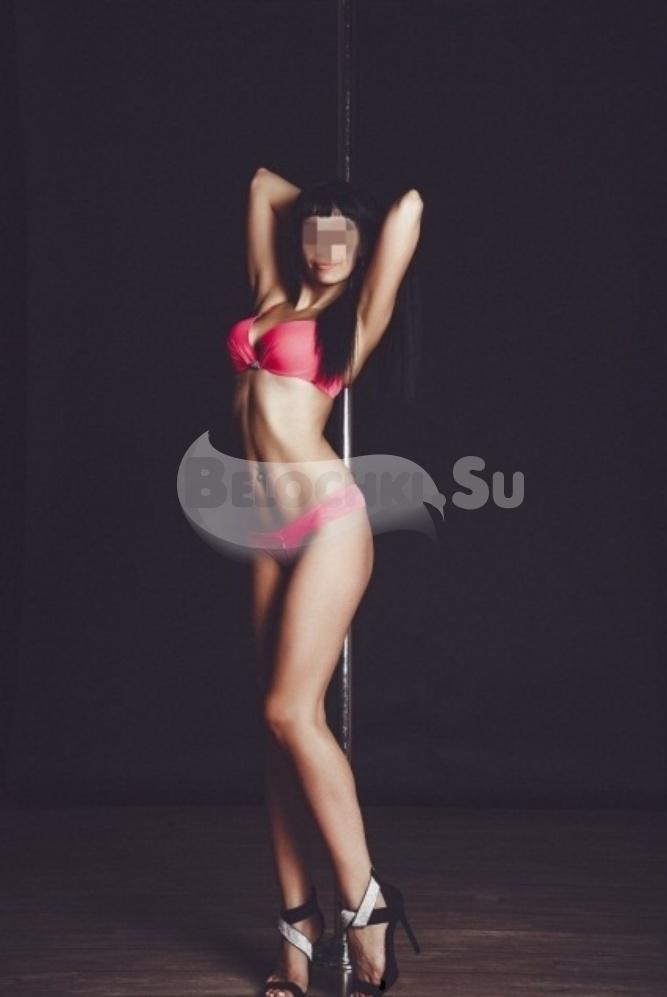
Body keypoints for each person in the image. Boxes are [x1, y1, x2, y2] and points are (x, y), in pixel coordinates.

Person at [227, 167, 423, 997]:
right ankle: (297, 930)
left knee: (290, 711)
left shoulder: (354, 320)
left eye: (345, 236)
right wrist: (318, 207)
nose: (327, 246)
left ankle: (368, 901)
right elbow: (261, 185)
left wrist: (355, 217)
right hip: (263, 534)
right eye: (317, 231)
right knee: (271, 733)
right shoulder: (272, 295)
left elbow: (409, 210)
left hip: (328, 524)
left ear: (361, 246)